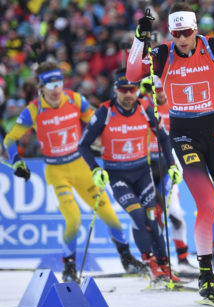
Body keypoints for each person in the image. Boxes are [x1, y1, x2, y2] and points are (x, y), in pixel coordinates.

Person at [126, 2, 214, 302]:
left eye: (187, 32)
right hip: (184, 135)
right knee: (207, 204)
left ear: (196, 30)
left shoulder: (213, 47)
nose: (181, 39)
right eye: (176, 33)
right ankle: (206, 275)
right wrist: (140, 39)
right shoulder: (163, 54)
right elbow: (131, 75)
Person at [3, 62, 144, 282]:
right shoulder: (34, 109)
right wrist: (17, 162)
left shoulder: (75, 99)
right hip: (56, 171)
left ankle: (127, 259)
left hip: (81, 166)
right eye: (51, 84)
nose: (56, 89)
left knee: (111, 217)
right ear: (42, 87)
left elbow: (99, 122)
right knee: (73, 219)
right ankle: (69, 266)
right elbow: (10, 139)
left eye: (59, 82)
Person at [79, 71, 181, 282]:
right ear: (116, 90)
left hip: (143, 174)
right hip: (118, 176)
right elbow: (83, 145)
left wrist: (172, 165)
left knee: (153, 219)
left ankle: (165, 265)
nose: (128, 95)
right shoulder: (105, 111)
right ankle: (151, 264)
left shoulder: (145, 109)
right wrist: (95, 169)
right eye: (123, 90)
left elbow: (164, 138)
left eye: (132, 90)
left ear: (136, 91)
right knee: (138, 216)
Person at [139, 75, 195, 271]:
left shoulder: (175, 106)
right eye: (153, 90)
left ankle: (183, 259)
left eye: (161, 89)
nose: (158, 93)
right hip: (147, 167)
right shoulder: (145, 107)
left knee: (177, 215)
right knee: (153, 217)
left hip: (168, 166)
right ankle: (154, 260)